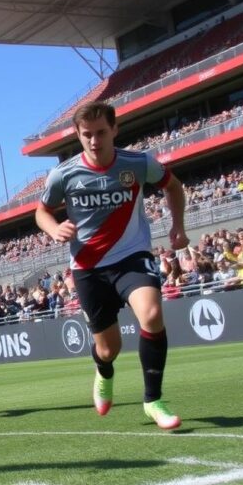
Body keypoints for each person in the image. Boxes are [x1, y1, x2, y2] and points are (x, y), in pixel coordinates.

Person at [36, 101, 188, 430]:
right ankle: (104, 372)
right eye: (86, 134)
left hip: (132, 256)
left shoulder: (139, 163)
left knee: (151, 315)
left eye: (101, 132)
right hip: (88, 268)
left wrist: (179, 226)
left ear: (114, 130)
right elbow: (42, 211)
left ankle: (153, 400)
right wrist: (53, 228)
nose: (94, 140)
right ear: (77, 135)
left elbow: (174, 187)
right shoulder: (64, 174)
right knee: (108, 349)